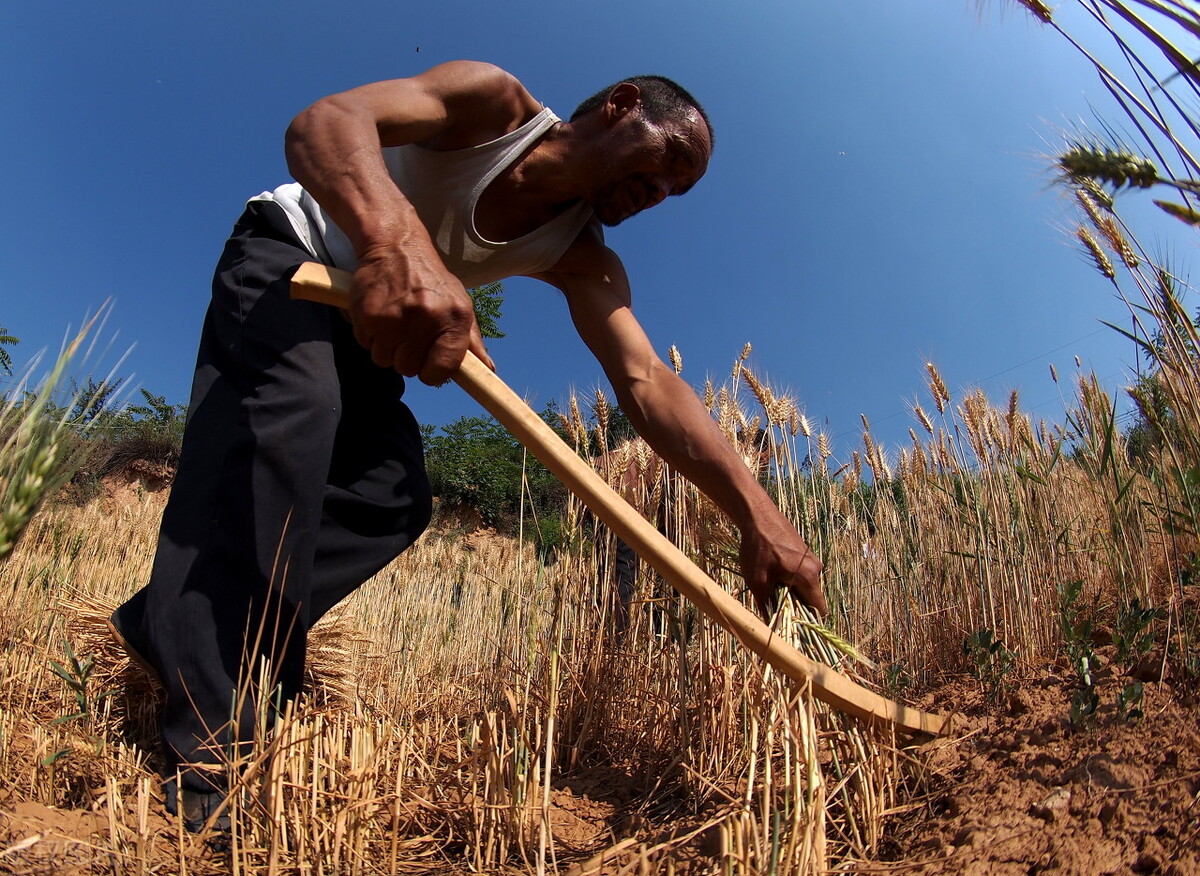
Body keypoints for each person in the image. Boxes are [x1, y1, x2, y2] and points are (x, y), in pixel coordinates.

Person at [108, 60, 826, 832]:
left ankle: (182, 623)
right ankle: (210, 767)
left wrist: (759, 514)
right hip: (293, 259)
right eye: (665, 164)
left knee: (390, 498)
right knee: (293, 422)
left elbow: (648, 380)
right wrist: (396, 244)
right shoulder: (489, 105)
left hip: (366, 324)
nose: (659, 194)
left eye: (673, 193)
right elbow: (323, 124)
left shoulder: (581, 254)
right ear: (621, 105)